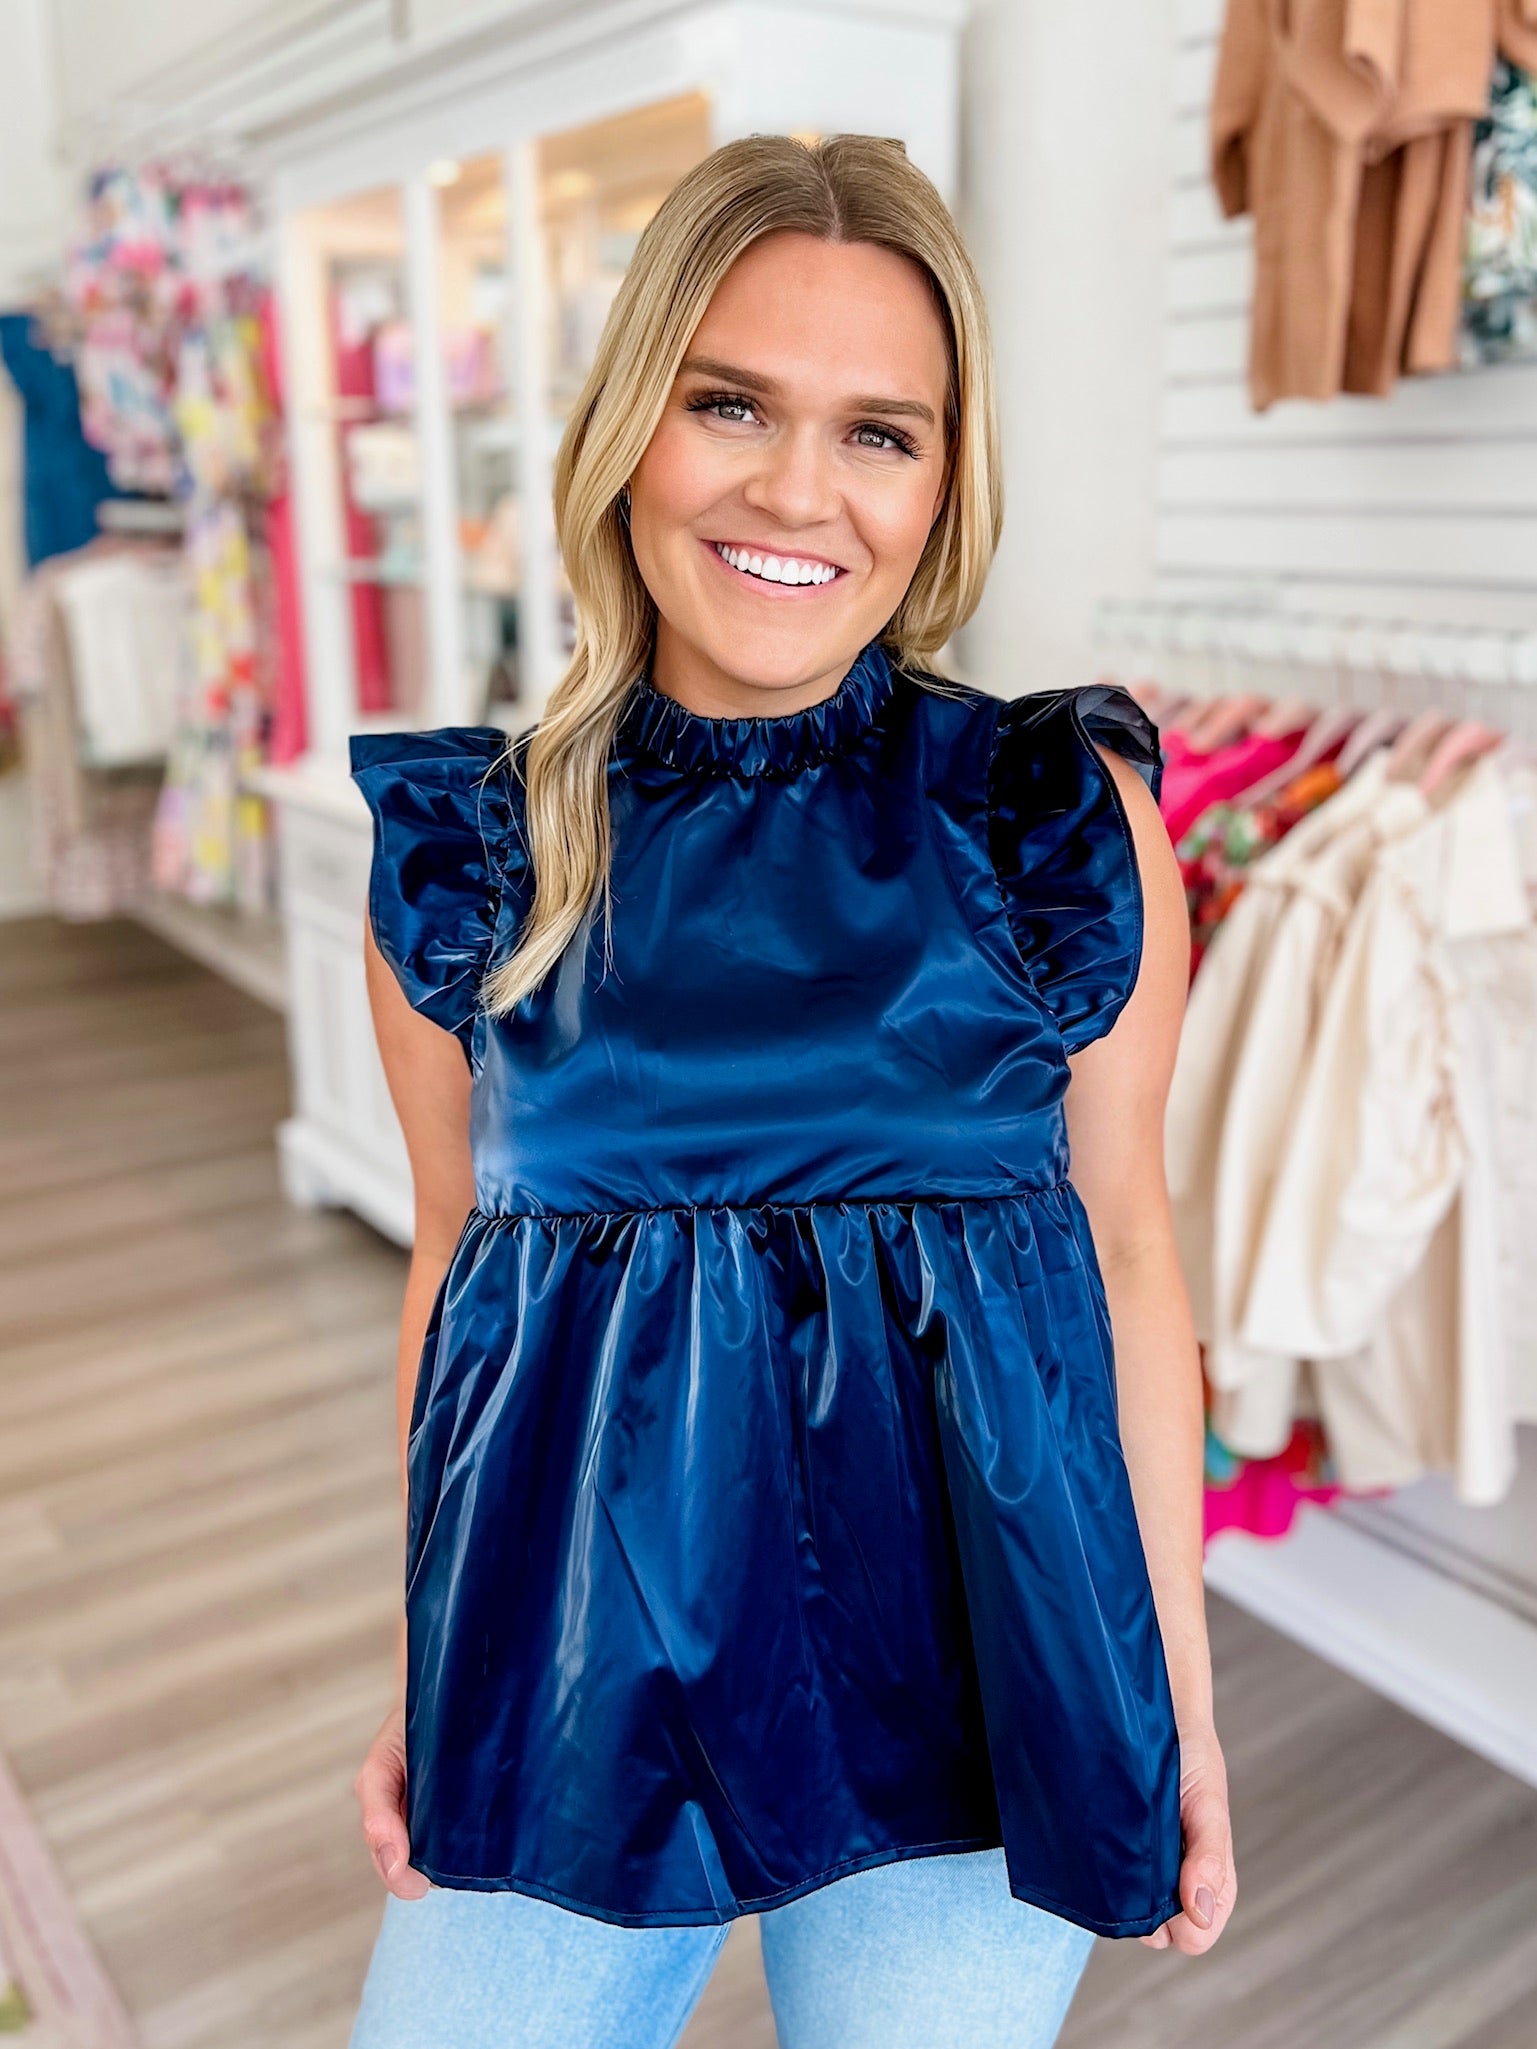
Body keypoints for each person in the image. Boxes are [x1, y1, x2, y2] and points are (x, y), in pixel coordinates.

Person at [345, 132, 1235, 2049]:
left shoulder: (1050, 825)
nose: (796, 491)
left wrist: (1175, 1684)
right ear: (629, 427)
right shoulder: (475, 856)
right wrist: (433, 1650)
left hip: (986, 1658)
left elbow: (1126, 1256)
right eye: (728, 403)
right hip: (579, 1653)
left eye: (877, 433)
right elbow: (452, 1276)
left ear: (940, 481)